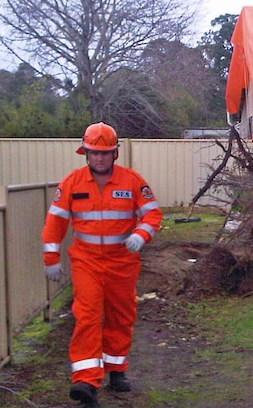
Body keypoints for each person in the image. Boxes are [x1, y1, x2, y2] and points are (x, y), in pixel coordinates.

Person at [42, 122, 162, 408]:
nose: (99, 158)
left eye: (104, 153)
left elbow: (153, 215)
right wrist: (51, 258)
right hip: (87, 261)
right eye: (94, 152)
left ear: (115, 154)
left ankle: (117, 370)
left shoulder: (132, 181)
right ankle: (85, 380)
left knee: (121, 315)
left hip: (122, 261)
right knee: (87, 315)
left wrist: (140, 235)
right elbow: (55, 223)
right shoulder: (71, 183)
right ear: (85, 153)